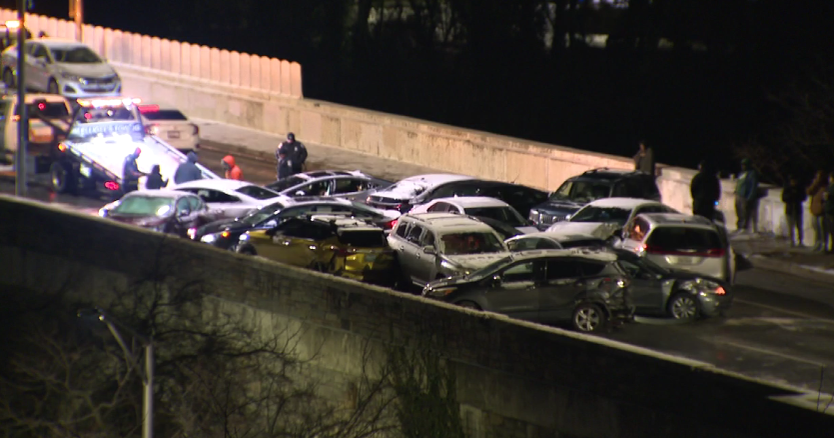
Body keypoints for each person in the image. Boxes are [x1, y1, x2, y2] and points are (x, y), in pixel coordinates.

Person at [734, 158, 759, 233]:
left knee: (745, 212)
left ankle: (744, 227)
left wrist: (750, 197)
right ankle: (739, 226)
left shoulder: (752, 174)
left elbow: (753, 186)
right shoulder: (742, 173)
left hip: (745, 196)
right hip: (739, 194)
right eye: (742, 165)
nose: (743, 166)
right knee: (738, 211)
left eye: (744, 165)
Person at [781, 175, 807, 247]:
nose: (793, 182)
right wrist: (791, 195)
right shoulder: (787, 188)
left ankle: (800, 241)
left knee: (799, 226)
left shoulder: (800, 188)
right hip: (789, 210)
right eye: (792, 181)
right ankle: (791, 240)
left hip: (798, 209)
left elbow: (804, 197)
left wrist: (796, 195)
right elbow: (783, 198)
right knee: (790, 227)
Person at [807, 170, 828, 252]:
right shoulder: (816, 187)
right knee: (816, 227)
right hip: (814, 210)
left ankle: (823, 244)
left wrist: (823, 207)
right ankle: (817, 243)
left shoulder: (825, 188)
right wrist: (814, 183)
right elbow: (809, 192)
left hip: (822, 211)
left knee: (822, 229)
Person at [824, 172, 834, 253]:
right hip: (829, 210)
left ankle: (832, 247)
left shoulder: (832, 187)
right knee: (830, 230)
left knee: (832, 230)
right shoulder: (829, 186)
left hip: (831, 211)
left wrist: (828, 196)